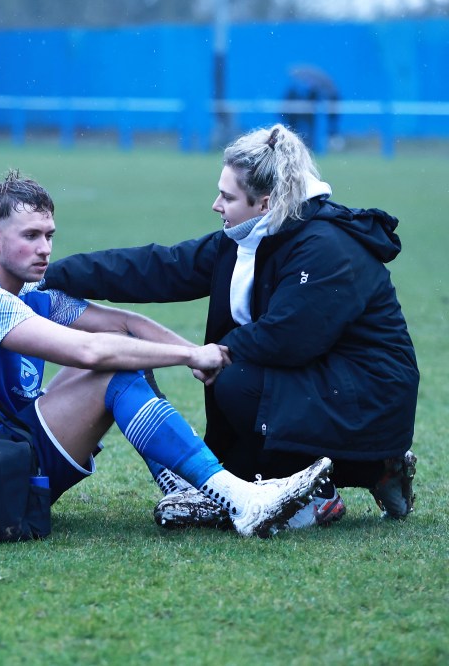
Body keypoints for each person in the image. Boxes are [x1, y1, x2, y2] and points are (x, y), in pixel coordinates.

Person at [0, 169, 333, 539]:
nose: (45, 248)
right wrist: (189, 359)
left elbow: (124, 326)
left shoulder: (28, 289)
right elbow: (91, 351)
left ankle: (185, 489)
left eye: (49, 235)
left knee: (128, 355)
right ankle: (241, 499)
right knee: (112, 370)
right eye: (31, 236)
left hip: (1, 455)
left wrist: (199, 351)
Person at [41, 124, 419, 530]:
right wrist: (51, 275)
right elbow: (161, 267)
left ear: (265, 202)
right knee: (235, 411)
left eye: (228, 196)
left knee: (236, 380)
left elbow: (289, 338)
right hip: (320, 382)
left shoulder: (326, 247)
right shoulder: (253, 237)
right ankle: (322, 476)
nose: (216, 205)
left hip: (370, 393)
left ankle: (347, 482)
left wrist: (215, 353)